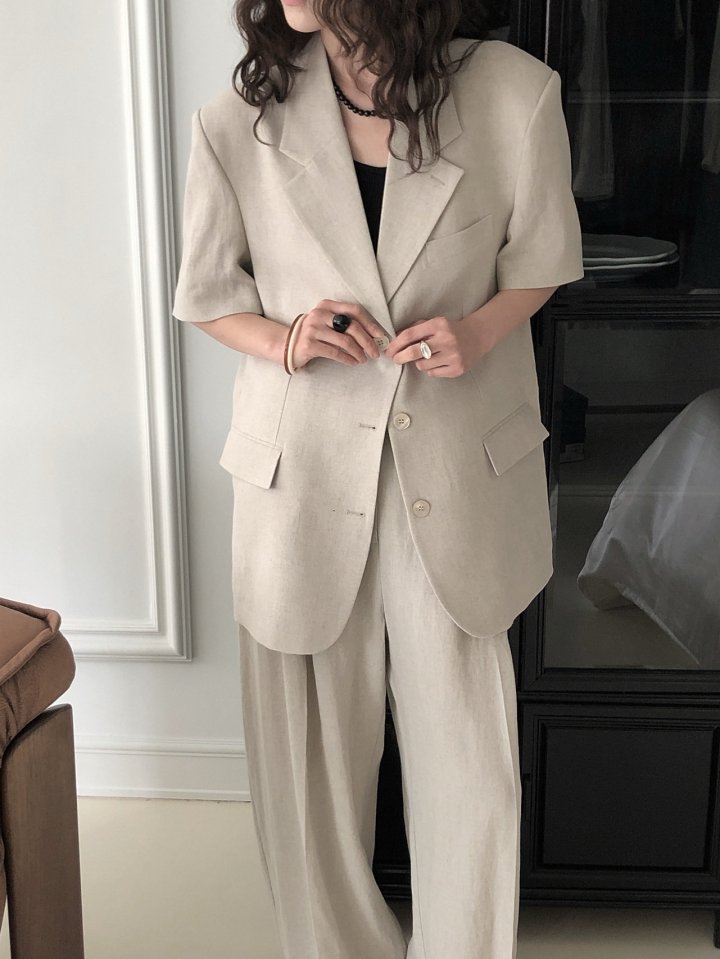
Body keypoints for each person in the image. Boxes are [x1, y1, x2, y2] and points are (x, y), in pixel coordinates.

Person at [172, 1, 584, 957]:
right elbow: (207, 293)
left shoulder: (514, 94)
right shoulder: (243, 116)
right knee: (307, 770)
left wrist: (477, 330)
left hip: (456, 465)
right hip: (302, 475)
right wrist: (287, 339)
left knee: (467, 765)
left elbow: (544, 259)